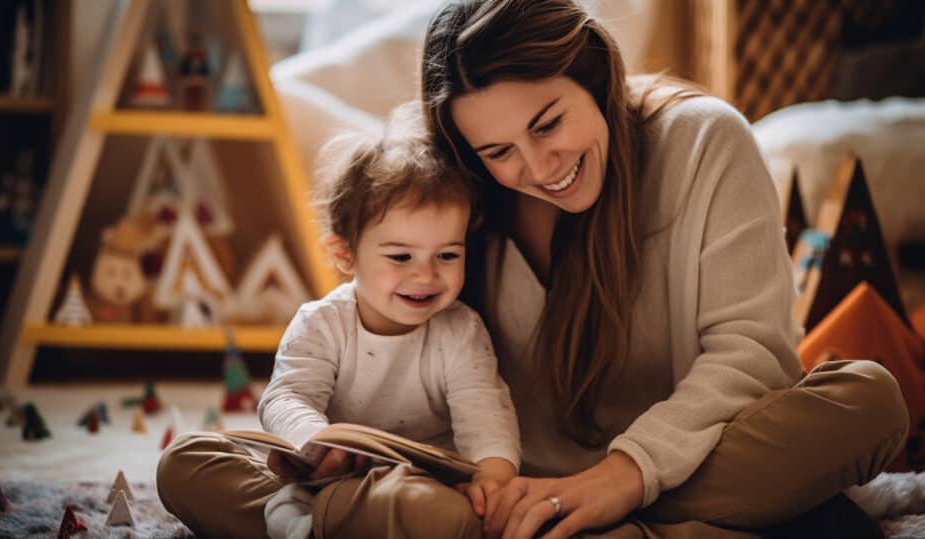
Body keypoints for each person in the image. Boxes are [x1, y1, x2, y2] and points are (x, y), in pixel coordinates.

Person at [157, 1, 909, 537]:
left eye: (548, 122)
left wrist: (621, 478)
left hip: (685, 458)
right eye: (498, 151)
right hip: (498, 487)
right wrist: (329, 441)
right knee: (191, 463)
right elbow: (378, 314)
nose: (537, 166)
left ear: (594, 73)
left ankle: (608, 521)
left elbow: (749, 356)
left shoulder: (706, 143)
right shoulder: (461, 195)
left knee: (869, 400)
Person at [261, 102, 520, 538]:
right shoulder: (321, 322)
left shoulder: (461, 330)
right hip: (326, 479)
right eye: (401, 256)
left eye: (447, 255)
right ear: (345, 254)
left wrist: (493, 479)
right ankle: (329, 519)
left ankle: (326, 524)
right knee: (188, 461)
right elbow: (286, 396)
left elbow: (486, 416)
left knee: (439, 513)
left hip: (418, 486)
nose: (425, 274)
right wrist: (314, 441)